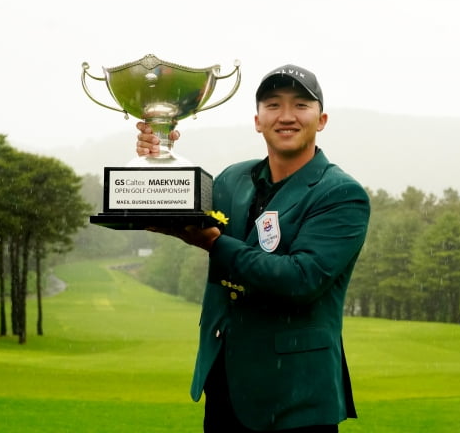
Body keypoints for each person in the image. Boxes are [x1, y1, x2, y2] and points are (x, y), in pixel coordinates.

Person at [136, 64, 370, 432]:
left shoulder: (340, 193)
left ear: (321, 119)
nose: (286, 116)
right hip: (225, 386)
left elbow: (300, 279)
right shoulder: (233, 179)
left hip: (297, 397)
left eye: (301, 105)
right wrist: (157, 154)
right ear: (258, 120)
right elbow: (183, 207)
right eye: (273, 105)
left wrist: (213, 243)